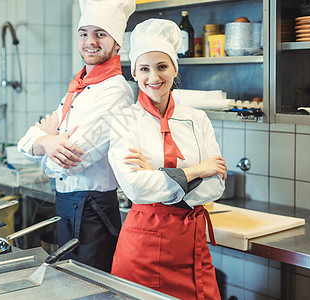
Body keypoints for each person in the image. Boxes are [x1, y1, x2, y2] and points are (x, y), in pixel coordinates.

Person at [108, 18, 227, 299]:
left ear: (175, 68)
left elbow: (217, 185)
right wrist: (195, 171)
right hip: (142, 251)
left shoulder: (198, 119)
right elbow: (136, 188)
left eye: (162, 67)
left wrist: (157, 175)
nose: (154, 77)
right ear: (134, 73)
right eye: (144, 69)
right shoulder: (124, 122)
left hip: (193, 247)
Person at [17, 0, 135, 272]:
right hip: (67, 204)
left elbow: (71, 160)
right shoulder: (79, 85)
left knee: (89, 288)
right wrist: (47, 140)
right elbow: (28, 140)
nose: (89, 41)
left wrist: (46, 144)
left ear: (117, 43)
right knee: (67, 281)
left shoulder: (116, 90)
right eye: (83, 33)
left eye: (100, 34)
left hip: (93, 211)